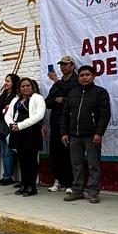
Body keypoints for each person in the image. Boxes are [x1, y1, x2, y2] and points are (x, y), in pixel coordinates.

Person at [61, 64, 111, 203]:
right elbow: (65, 114)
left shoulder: (100, 92)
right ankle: (77, 191)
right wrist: (64, 132)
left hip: (91, 136)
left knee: (93, 165)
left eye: (87, 75)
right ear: (78, 77)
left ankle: (93, 191)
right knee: (76, 164)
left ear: (93, 76)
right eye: (82, 75)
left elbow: (104, 115)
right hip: (74, 136)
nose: (84, 77)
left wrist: (99, 133)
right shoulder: (72, 93)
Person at [6, 78, 46, 196]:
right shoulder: (15, 100)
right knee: (22, 159)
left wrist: (20, 125)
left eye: (28, 86)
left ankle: (31, 186)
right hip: (17, 131)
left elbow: (39, 115)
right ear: (19, 88)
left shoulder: (38, 98)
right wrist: (12, 124)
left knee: (31, 160)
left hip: (31, 132)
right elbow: (8, 115)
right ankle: (23, 184)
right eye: (23, 86)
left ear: (32, 87)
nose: (25, 88)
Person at [45, 56, 78, 191]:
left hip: (69, 124)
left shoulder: (76, 81)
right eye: (61, 65)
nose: (63, 67)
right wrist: (56, 101)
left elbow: (71, 97)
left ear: (72, 66)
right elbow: (47, 102)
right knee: (55, 154)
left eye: (66, 64)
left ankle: (70, 183)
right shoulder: (56, 84)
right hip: (55, 123)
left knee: (68, 154)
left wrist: (57, 81)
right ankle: (58, 180)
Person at [0, 73, 20, 186]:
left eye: (8, 81)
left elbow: (14, 111)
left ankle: (8, 176)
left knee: (9, 152)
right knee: (3, 152)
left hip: (11, 126)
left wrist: (7, 110)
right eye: (5, 81)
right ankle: (5, 175)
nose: (5, 83)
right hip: (1, 127)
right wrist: (4, 109)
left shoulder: (16, 96)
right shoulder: (4, 95)